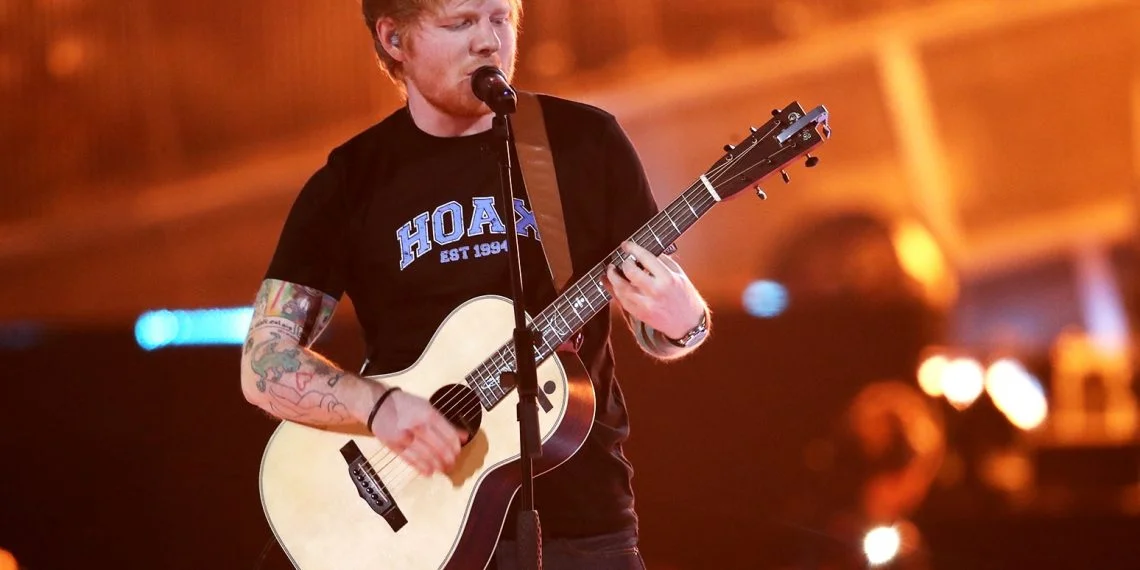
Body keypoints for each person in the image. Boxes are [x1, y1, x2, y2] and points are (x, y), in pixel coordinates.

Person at [238, 0, 711, 568]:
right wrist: (380, 407)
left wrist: (684, 321)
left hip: (583, 528)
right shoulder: (353, 179)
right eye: (460, 22)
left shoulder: (585, 142)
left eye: (499, 18)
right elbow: (263, 363)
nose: (489, 41)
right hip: (420, 534)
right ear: (394, 39)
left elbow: (654, 324)